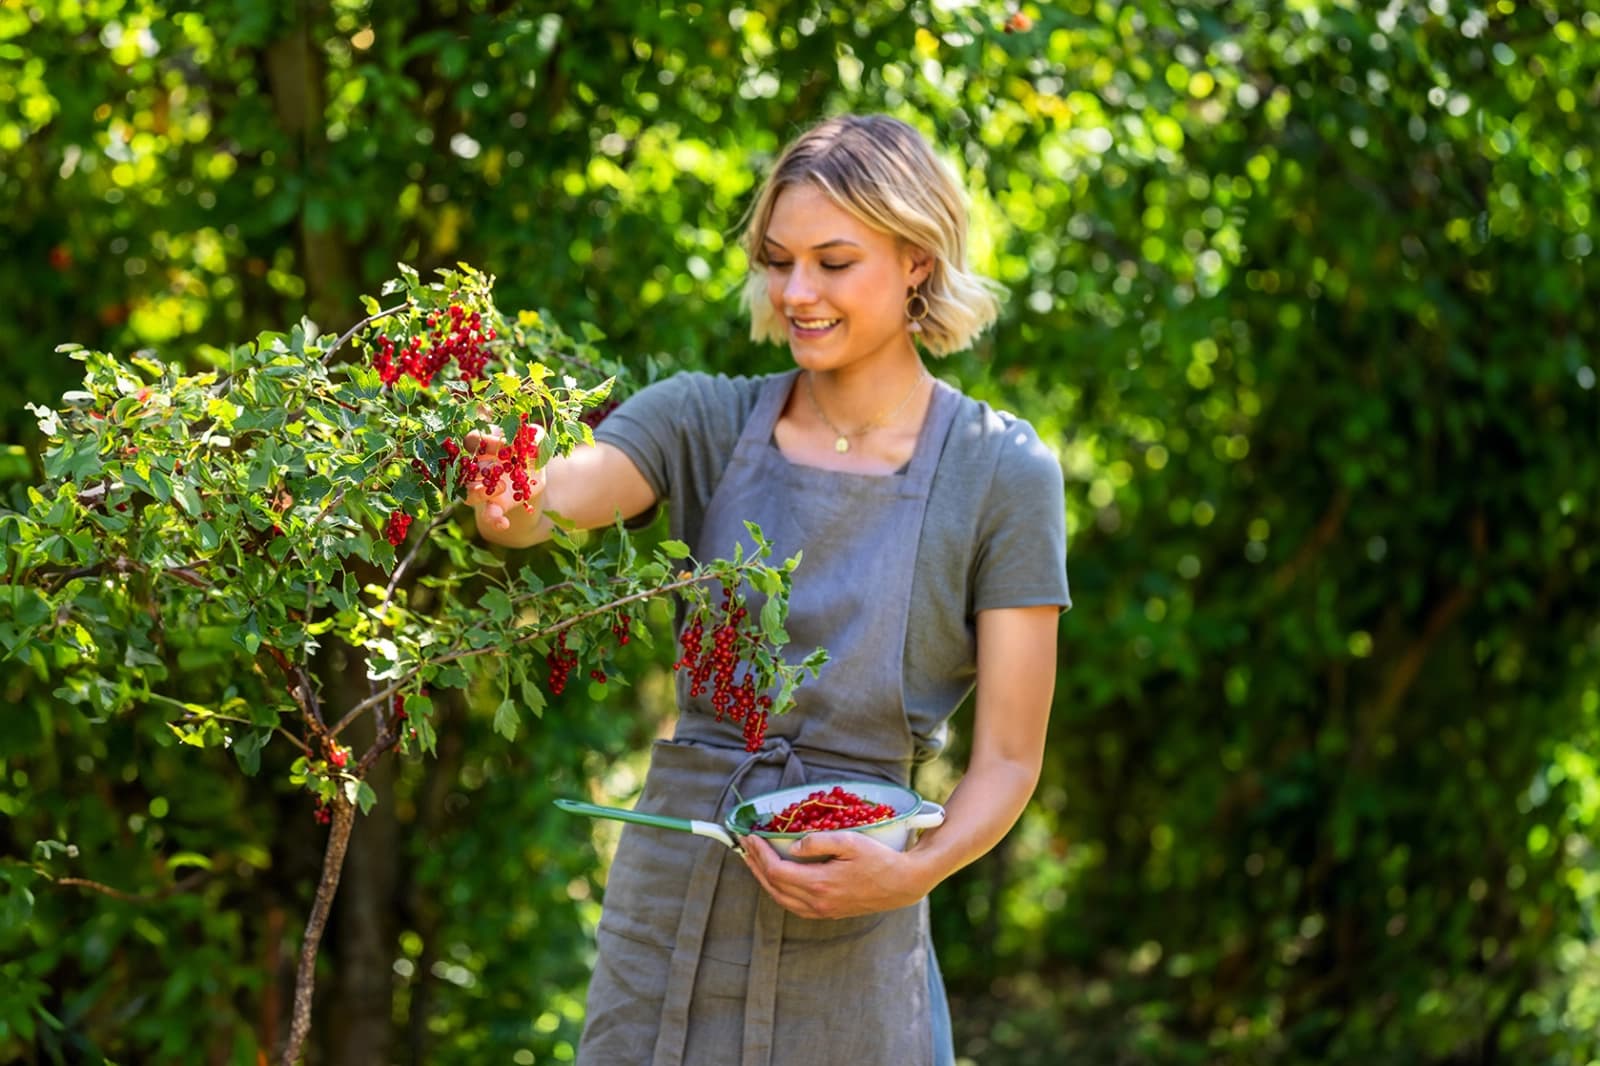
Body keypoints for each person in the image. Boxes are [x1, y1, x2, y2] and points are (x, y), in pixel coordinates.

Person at [466, 113, 1070, 1066]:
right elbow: (569, 491)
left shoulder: (1002, 473)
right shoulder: (700, 419)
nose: (797, 292)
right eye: (779, 260)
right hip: (676, 888)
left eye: (834, 262)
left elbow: (1008, 759)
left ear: (916, 259)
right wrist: (518, 498)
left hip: (857, 887)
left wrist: (909, 874)